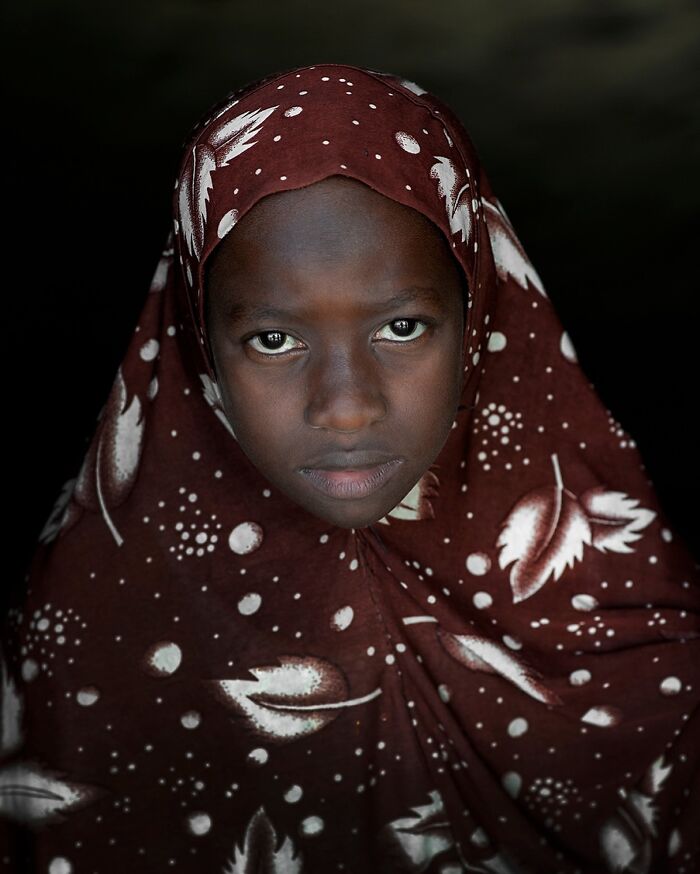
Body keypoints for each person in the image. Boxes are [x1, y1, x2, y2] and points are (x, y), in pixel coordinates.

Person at [1, 61, 698, 874]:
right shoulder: (78, 650)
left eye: (402, 327)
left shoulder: (649, 651)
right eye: (273, 339)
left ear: (478, 315)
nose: (346, 406)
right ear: (198, 344)